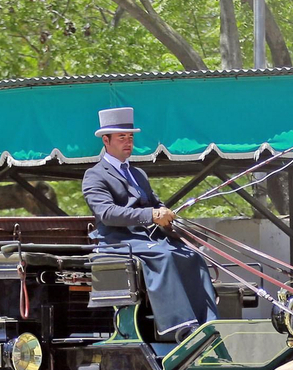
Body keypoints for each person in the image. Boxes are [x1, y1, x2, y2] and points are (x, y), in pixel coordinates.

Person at [82, 107, 218, 341]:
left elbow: (156, 204)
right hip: (118, 241)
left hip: (147, 239)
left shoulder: (138, 174)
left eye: (131, 137)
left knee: (191, 255)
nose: (128, 142)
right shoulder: (94, 175)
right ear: (106, 140)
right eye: (122, 137)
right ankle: (180, 327)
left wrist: (170, 219)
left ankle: (208, 323)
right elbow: (107, 213)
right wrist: (151, 215)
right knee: (163, 256)